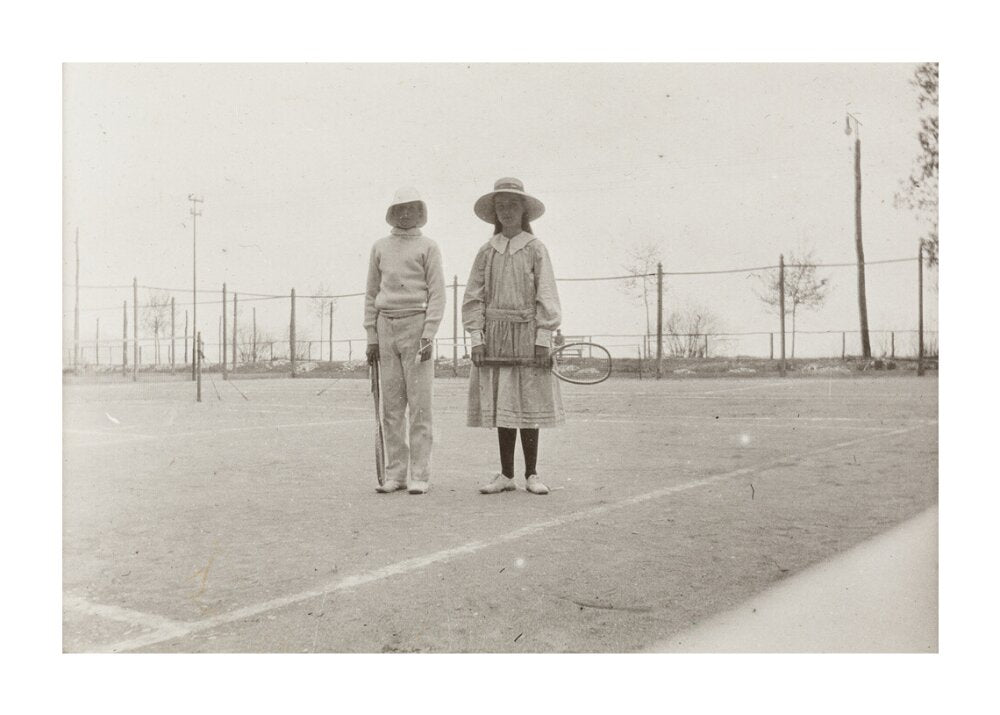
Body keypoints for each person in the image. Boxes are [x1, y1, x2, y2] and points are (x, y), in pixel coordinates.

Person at [462, 177, 564, 495]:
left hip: (528, 334)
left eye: (512, 205)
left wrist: (543, 340)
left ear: (524, 211)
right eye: (501, 206)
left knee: (528, 400)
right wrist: (477, 338)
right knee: (504, 401)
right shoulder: (486, 252)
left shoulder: (535, 249)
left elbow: (546, 293)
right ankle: (506, 475)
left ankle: (531, 474)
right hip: (495, 336)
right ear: (494, 213)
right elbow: (473, 297)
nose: (506, 211)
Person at [364, 187, 445, 494]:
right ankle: (395, 473)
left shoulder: (429, 247)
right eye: (400, 209)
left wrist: (429, 333)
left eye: (411, 208)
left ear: (420, 212)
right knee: (391, 406)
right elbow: (372, 293)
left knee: (420, 405)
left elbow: (437, 293)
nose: (406, 214)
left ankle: (420, 474)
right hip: (386, 326)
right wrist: (371, 335)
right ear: (393, 213)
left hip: (417, 324)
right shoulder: (380, 247)